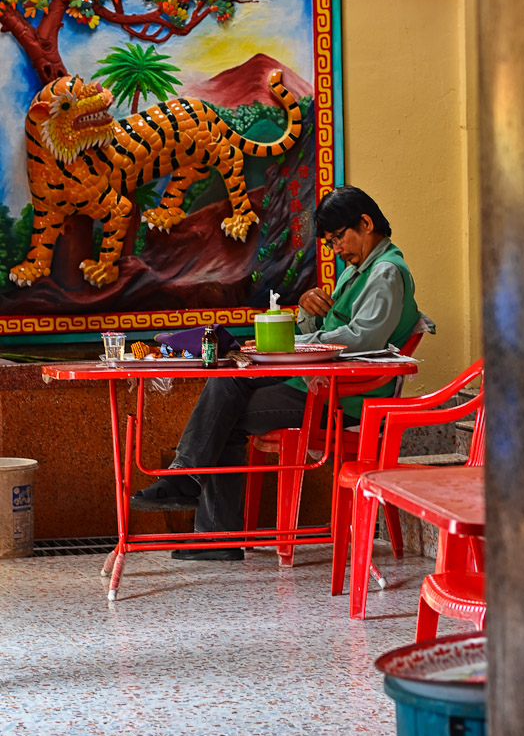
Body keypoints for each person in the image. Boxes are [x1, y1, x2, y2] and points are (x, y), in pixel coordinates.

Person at [130, 185, 422, 560]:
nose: (337, 249)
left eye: (339, 237)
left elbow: (363, 338)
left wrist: (299, 342)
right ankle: (196, 498)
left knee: (225, 413)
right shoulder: (357, 272)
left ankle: (206, 516)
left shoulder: (385, 273)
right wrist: (307, 310)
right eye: (331, 242)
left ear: (365, 224)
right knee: (229, 384)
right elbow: (329, 329)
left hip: (345, 398)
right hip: (320, 384)